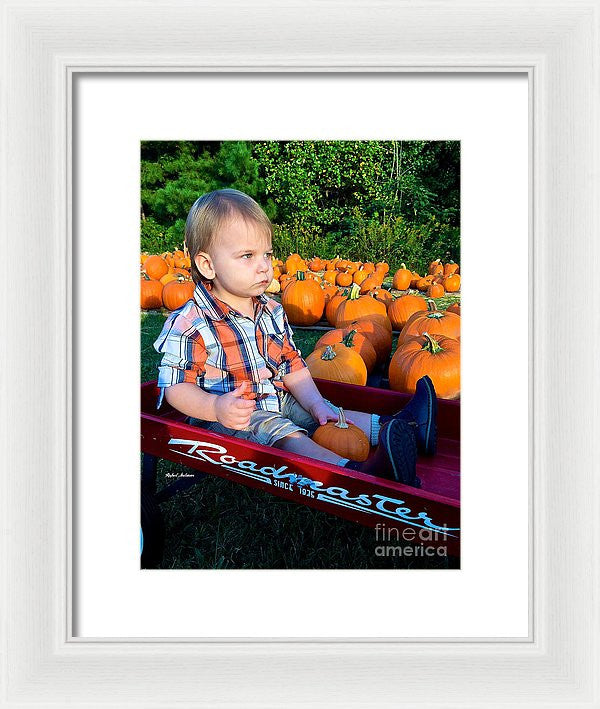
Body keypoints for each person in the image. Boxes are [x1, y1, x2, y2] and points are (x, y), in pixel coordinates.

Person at [153, 189, 437, 488]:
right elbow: (176, 387)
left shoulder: (271, 310)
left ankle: (408, 428)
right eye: (247, 256)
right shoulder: (191, 322)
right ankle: (356, 473)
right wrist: (215, 408)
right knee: (283, 431)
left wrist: (316, 403)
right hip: (229, 418)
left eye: (268, 254)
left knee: (325, 413)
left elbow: (291, 364)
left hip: (276, 397)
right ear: (207, 265)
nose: (264, 265)